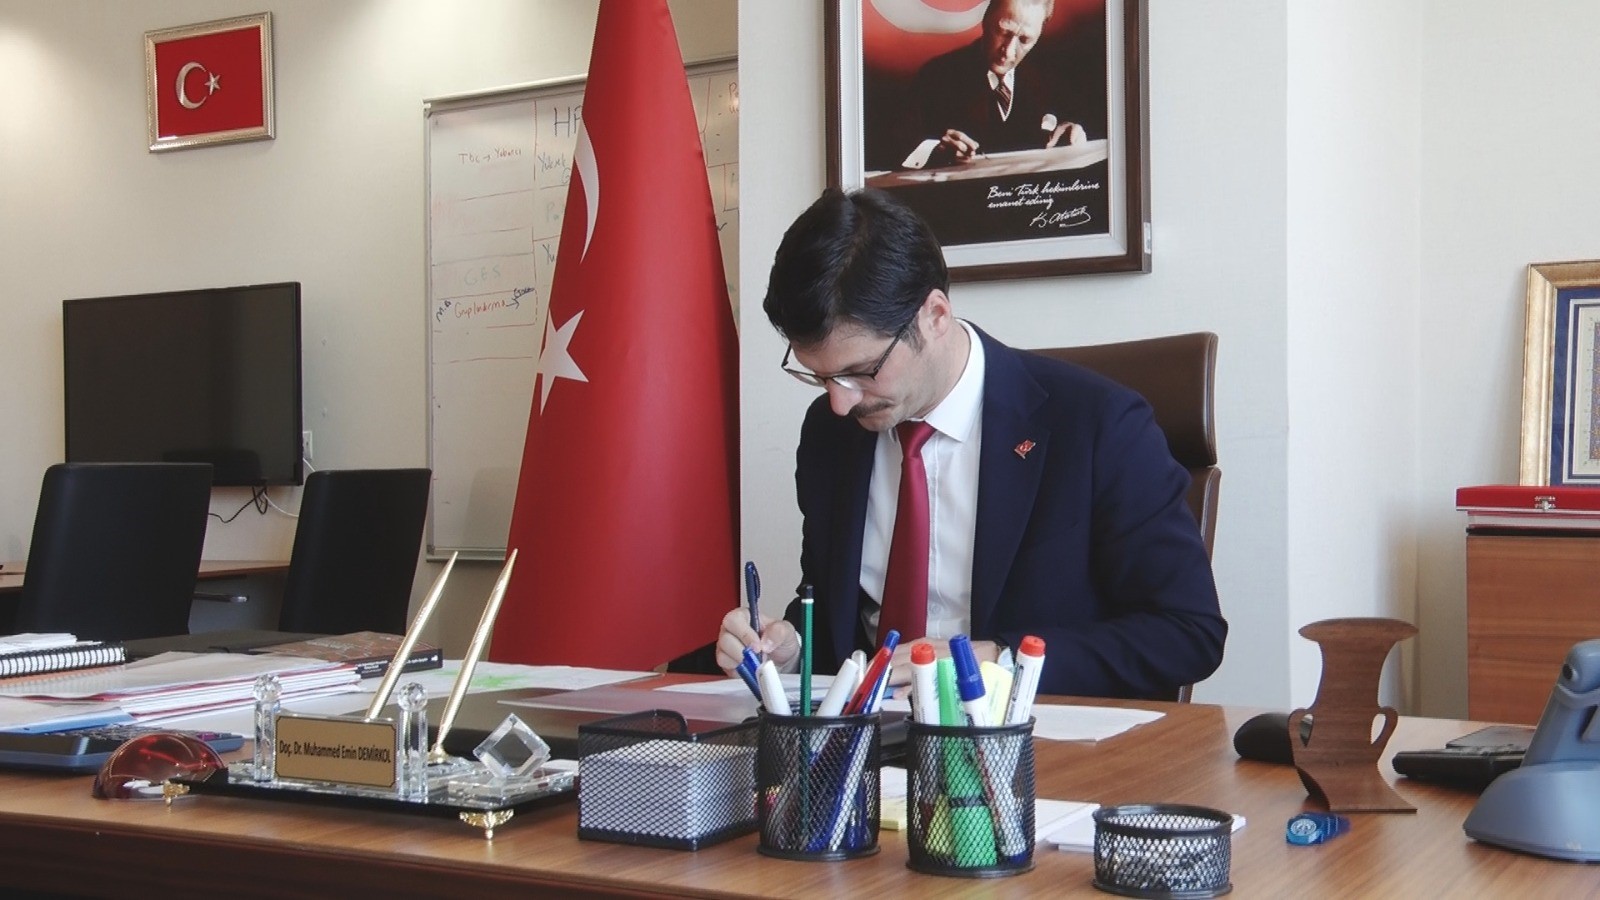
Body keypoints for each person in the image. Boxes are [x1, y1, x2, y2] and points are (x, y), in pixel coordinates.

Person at [716, 187, 1225, 700]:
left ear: (935, 315)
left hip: (1031, 736)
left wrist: (997, 660)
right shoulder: (831, 434)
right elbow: (836, 619)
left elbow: (1188, 632)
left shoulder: (1098, 424)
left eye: (862, 371)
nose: (841, 403)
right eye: (820, 377)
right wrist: (792, 652)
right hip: (870, 740)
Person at [901, 0, 1087, 169]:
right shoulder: (936, 75)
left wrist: (1072, 134)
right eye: (1004, 32)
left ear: (1039, 35)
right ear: (986, 19)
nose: (1008, 51)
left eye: (1024, 40)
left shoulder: (1049, 79)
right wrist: (935, 150)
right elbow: (898, 146)